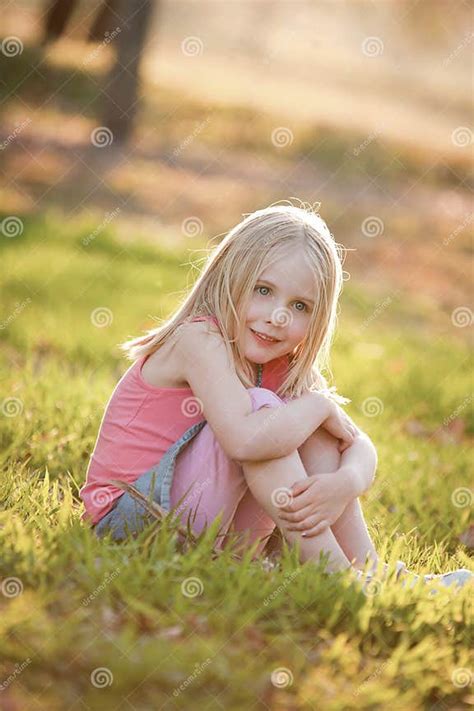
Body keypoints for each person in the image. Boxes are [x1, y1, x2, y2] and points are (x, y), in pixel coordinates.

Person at [79, 201, 472, 592]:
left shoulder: (282, 365)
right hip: (133, 520)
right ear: (228, 278)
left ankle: (375, 573)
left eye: (299, 306)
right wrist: (321, 406)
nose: (278, 316)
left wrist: (346, 482)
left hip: (211, 532)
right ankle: (340, 578)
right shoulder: (199, 340)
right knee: (267, 413)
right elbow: (244, 438)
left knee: (306, 426)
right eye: (263, 290)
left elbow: (356, 443)